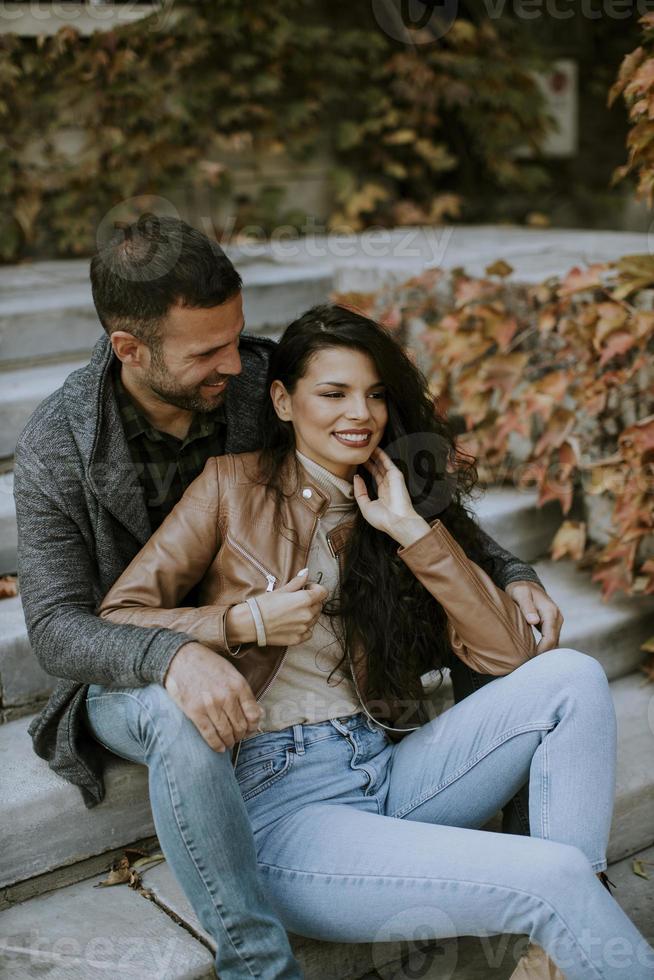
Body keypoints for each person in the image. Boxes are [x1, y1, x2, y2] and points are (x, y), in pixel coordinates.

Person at [13, 216, 558, 980]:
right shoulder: (55, 447)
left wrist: (508, 573)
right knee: (180, 710)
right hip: (131, 665)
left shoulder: (261, 378)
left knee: (501, 639)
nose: (233, 363)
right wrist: (175, 655)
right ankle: (259, 967)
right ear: (128, 348)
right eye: (207, 351)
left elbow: (416, 484)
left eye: (236, 338)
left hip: (298, 645)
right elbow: (57, 629)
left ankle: (536, 885)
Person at [96, 303, 654, 979]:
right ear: (281, 399)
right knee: (556, 874)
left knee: (572, 676)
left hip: (386, 770)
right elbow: (118, 617)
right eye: (332, 393)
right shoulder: (228, 488)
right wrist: (238, 623)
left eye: (374, 394)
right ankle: (575, 930)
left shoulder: (394, 498)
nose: (359, 412)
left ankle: (558, 958)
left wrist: (413, 531)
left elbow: (509, 656)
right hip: (286, 814)